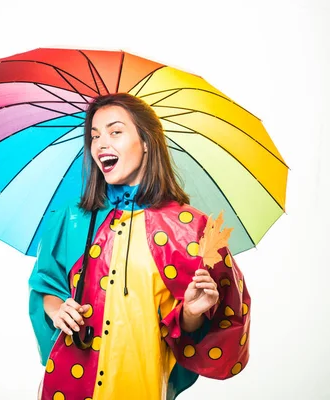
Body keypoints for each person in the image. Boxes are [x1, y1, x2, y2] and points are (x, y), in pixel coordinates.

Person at [28, 93, 251, 400]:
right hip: (68, 384)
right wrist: (57, 311)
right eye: (94, 136)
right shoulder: (71, 217)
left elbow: (198, 328)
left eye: (115, 131)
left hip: (140, 385)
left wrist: (192, 312)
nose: (101, 144)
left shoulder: (192, 230)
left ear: (146, 141)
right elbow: (45, 285)